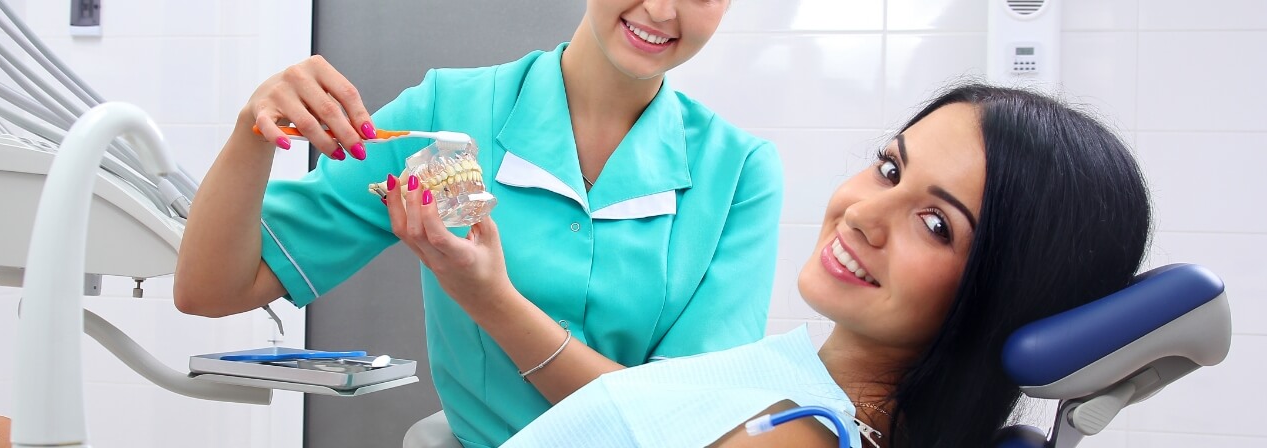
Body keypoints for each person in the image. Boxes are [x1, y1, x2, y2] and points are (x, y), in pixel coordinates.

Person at [174, 1, 783, 446]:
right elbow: (211, 289)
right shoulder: (447, 117)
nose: (661, 9)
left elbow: (687, 425)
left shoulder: (739, 174)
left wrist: (489, 300)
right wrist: (252, 131)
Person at [478, 84, 1151, 447]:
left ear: (1004, 291)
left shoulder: (798, 434)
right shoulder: (798, 391)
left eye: (936, 224)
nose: (864, 212)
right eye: (889, 167)